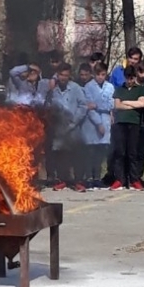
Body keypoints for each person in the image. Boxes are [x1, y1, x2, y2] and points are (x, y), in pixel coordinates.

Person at [47, 63, 88, 191]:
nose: (63, 78)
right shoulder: (53, 90)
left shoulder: (76, 88)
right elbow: (48, 106)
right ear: (57, 75)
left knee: (77, 155)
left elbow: (83, 106)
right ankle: (63, 180)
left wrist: (74, 121)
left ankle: (78, 181)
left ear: (69, 75)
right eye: (61, 75)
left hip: (73, 127)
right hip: (59, 128)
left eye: (66, 75)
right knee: (61, 155)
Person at [79, 62, 113, 188]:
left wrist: (97, 105)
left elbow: (111, 104)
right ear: (94, 74)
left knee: (100, 152)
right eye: (98, 74)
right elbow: (89, 106)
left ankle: (97, 177)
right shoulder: (88, 87)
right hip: (92, 123)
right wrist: (98, 123)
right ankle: (89, 177)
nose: (100, 77)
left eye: (103, 74)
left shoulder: (110, 87)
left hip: (106, 120)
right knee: (90, 152)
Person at [111, 67, 144, 191]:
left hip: (134, 123)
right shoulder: (119, 89)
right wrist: (132, 105)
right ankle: (120, 179)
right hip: (120, 123)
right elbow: (117, 105)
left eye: (132, 78)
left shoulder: (140, 89)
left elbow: (142, 103)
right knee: (120, 152)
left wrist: (125, 102)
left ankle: (134, 179)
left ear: (135, 77)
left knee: (132, 152)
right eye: (127, 78)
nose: (130, 81)